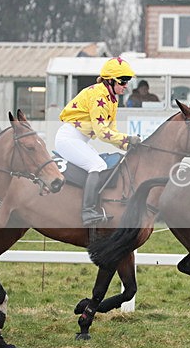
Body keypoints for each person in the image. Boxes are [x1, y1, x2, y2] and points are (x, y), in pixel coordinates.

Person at [56, 57, 141, 226]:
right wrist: (127, 139)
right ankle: (87, 212)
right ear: (110, 80)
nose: (126, 86)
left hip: (79, 138)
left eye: (128, 81)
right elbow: (102, 133)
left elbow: (112, 132)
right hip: (68, 138)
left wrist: (128, 145)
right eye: (123, 81)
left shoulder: (112, 98)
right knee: (98, 165)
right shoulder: (99, 95)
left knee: (100, 164)